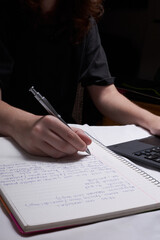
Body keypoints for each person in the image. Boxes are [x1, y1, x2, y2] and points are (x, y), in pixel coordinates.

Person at [0, 0, 160, 159]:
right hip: (8, 140)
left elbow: (105, 93)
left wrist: (152, 120)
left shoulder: (82, 20)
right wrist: (22, 125)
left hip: (61, 140)